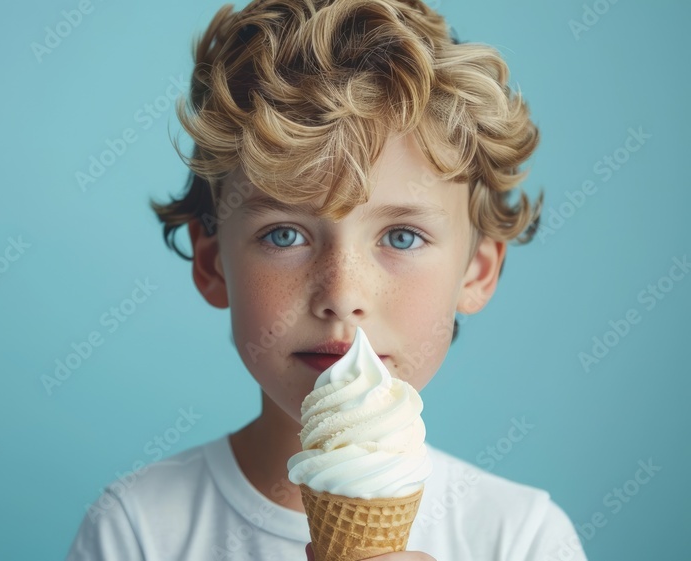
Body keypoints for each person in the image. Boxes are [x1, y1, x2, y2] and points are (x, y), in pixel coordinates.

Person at [68, 0, 587, 559]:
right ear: (213, 264)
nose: (342, 295)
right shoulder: (137, 530)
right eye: (285, 235)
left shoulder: (522, 537)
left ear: (478, 271)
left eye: (402, 237)